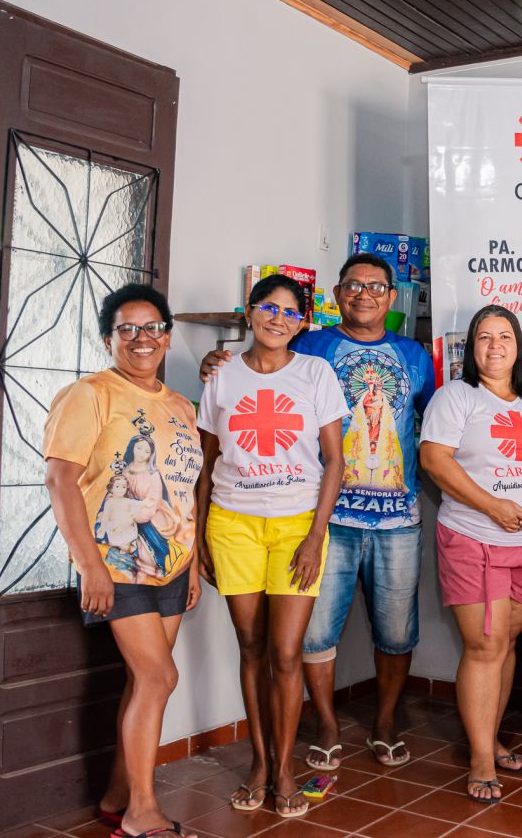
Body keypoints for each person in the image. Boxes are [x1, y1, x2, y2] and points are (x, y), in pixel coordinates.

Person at [201, 252, 434, 771]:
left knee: (397, 632)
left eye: (376, 287)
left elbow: (434, 422)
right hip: (321, 520)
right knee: (312, 636)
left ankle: (385, 722)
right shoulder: (311, 346)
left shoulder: (415, 356)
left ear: (392, 297)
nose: (364, 294)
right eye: (353, 285)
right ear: (335, 294)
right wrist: (215, 363)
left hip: (397, 520)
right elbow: (262, 364)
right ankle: (327, 725)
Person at [44, 284, 203, 838]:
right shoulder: (89, 395)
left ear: (167, 335)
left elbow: (185, 488)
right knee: (160, 676)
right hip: (117, 562)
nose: (142, 339)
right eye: (127, 329)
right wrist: (89, 565)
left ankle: (117, 795)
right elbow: (60, 480)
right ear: (108, 338)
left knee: (144, 682)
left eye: (152, 327)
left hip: (171, 563)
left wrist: (192, 560)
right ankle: (141, 811)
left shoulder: (181, 405)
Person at [195, 275, 347, 818]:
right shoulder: (221, 374)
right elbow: (207, 463)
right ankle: (260, 763)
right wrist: (199, 535)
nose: (278, 318)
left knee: (285, 653)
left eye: (289, 311)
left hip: (297, 526)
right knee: (251, 646)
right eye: (268, 307)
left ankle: (284, 769)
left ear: (302, 322)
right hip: (232, 523)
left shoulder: (315, 372)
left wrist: (315, 536)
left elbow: (336, 460)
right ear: (250, 311)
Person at [420, 306, 522, 804]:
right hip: (473, 537)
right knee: (485, 646)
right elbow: (434, 460)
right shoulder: (456, 396)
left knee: (506, 643)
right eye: (484, 337)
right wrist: (492, 506)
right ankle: (481, 760)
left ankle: (490, 738)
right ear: (471, 347)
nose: (494, 346)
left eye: (504, 336)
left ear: (519, 345)